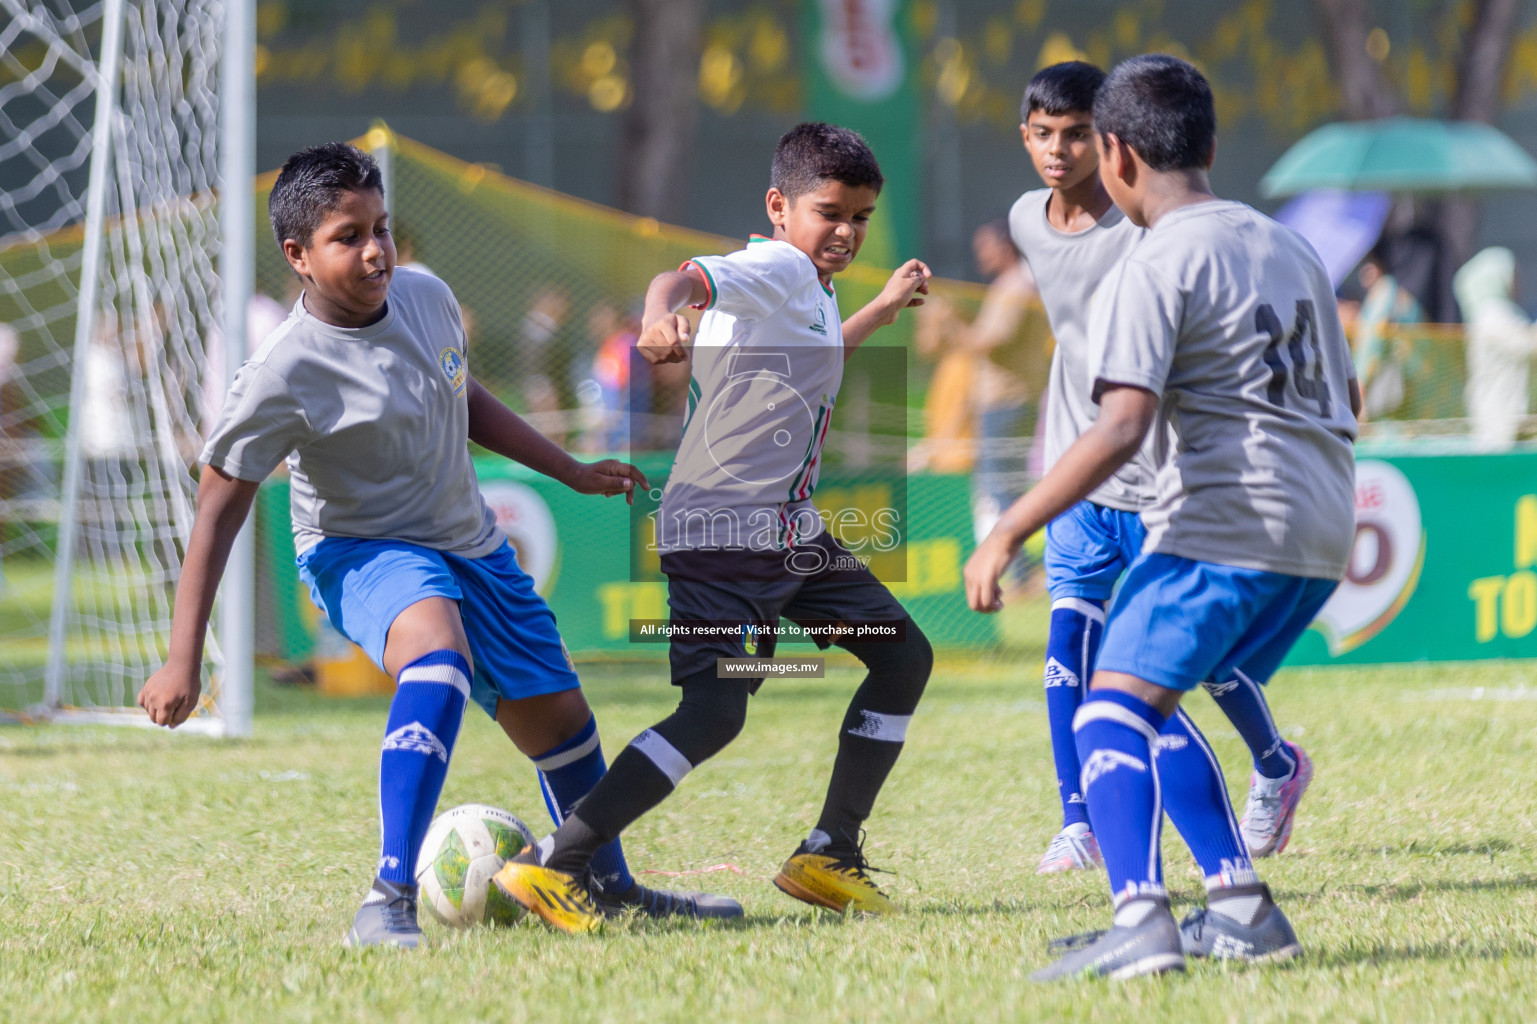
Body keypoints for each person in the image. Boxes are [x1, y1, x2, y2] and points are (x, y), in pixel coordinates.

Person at [137, 142, 740, 949]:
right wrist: (184, 658)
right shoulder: (280, 373)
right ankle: (386, 896)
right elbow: (218, 507)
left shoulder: (424, 295)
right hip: (361, 549)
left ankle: (606, 887)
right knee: (438, 656)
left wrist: (566, 469)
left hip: (471, 544)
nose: (376, 249)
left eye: (379, 228)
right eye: (348, 236)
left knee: (561, 722)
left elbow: (464, 394)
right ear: (298, 257)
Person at [966, 56, 1360, 979]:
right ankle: (1238, 907)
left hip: (1225, 520)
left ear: (1114, 154)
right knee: (1151, 694)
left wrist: (1006, 526)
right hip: (1321, 526)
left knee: (1107, 712)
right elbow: (1345, 394)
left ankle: (1140, 921)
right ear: (1210, 146)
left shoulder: (1156, 259)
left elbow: (1122, 426)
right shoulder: (1288, 244)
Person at [492, 123, 935, 933]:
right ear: (778, 206)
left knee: (900, 656)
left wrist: (877, 306)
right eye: (829, 212)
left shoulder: (808, 283)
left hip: (780, 533)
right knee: (713, 714)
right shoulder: (772, 265)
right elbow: (679, 276)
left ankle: (828, 852)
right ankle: (556, 867)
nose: (846, 231)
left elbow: (818, 352)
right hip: (731, 532)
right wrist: (660, 319)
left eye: (861, 217)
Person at [1007, 60, 1313, 876]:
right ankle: (1083, 823)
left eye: (1079, 135)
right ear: (1025, 137)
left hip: (1155, 468)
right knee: (1067, 650)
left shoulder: (1158, 230)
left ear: (1115, 149)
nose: (1059, 151)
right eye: (1044, 134)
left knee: (1182, 668)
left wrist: (1007, 521)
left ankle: (1274, 768)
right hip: (1081, 464)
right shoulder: (1024, 223)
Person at [914, 222, 1042, 544]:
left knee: (1000, 488)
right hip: (1005, 401)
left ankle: (1017, 569)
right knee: (1002, 487)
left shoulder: (1017, 286)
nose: (979, 254)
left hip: (1007, 401)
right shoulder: (1010, 284)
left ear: (1004, 246)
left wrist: (950, 322)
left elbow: (990, 341)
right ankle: (1017, 568)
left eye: (985, 246)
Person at [1456, 246, 1537, 450]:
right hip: (1500, 424)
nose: (1517, 281)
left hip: (1509, 422)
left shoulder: (1500, 313)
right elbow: (1528, 345)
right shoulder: (1492, 315)